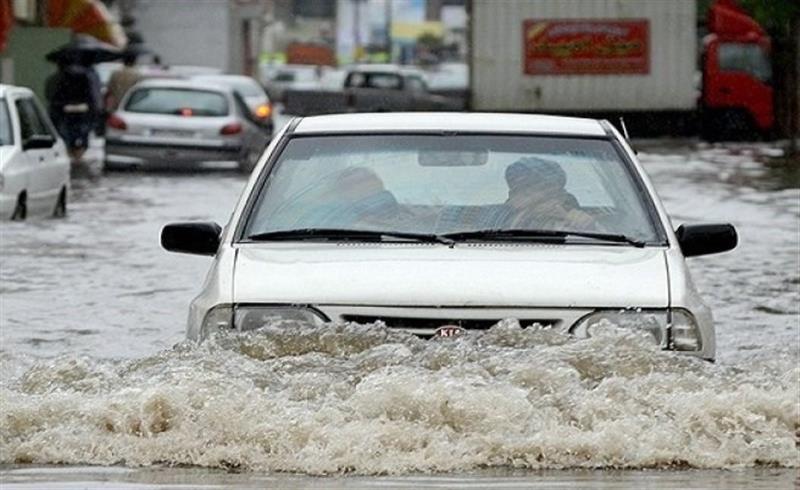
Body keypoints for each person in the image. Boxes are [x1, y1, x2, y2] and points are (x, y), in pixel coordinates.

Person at [500, 157, 597, 231]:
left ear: (560, 196)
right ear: (512, 196)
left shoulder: (578, 221)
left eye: (542, 189)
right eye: (526, 192)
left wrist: (586, 225)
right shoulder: (495, 221)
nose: (536, 198)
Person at [46, 59, 103, 160]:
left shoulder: (57, 79)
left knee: (67, 134)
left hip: (65, 112)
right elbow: (91, 96)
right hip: (80, 112)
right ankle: (77, 155)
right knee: (80, 134)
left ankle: (72, 153)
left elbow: (51, 96)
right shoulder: (86, 77)